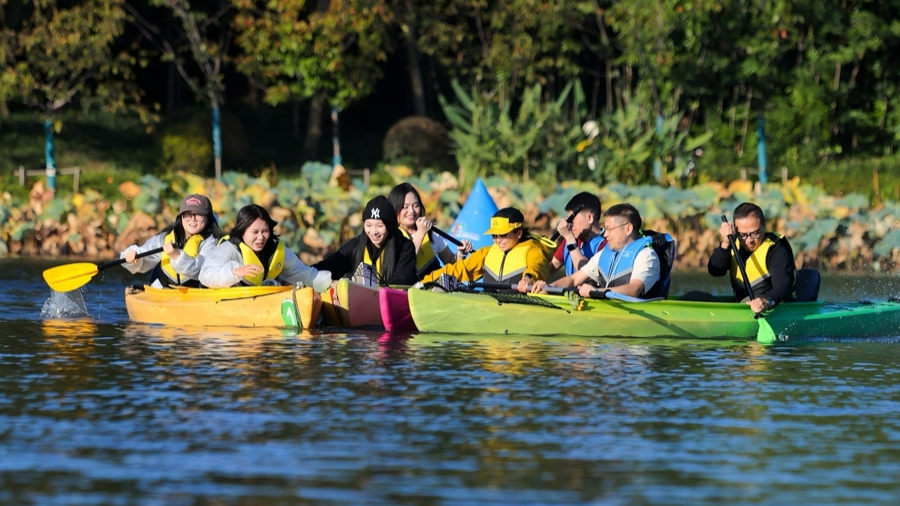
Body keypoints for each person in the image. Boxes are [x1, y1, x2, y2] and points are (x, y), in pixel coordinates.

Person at [530, 203, 662, 298]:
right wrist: (548, 287)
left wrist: (597, 291)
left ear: (628, 229)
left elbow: (634, 289)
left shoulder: (646, 256)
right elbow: (574, 279)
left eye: (610, 229)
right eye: (605, 229)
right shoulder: (605, 254)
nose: (605, 234)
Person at [199, 204, 332, 292]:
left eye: (265, 231)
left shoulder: (276, 250)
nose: (261, 237)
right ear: (242, 231)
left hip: (262, 303)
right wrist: (235, 272)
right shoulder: (228, 249)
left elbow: (304, 274)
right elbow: (206, 275)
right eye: (255, 232)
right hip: (228, 303)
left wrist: (329, 283)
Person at [421, 207, 554, 292]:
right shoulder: (486, 253)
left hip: (520, 308)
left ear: (519, 233)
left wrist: (528, 279)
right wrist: (423, 283)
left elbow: (538, 266)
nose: (497, 240)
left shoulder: (533, 250)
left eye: (502, 234)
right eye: (494, 235)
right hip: (490, 305)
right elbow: (458, 269)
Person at [708, 202, 795, 313]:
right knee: (694, 296)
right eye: (743, 235)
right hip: (743, 305)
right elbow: (715, 271)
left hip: (771, 306)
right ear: (735, 230)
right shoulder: (732, 242)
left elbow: (782, 287)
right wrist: (725, 244)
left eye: (755, 233)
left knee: (746, 302)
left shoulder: (776, 249)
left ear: (764, 227)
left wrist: (766, 301)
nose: (749, 240)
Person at [120, 193, 222, 288]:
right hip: (164, 291)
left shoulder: (211, 243)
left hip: (196, 292)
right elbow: (144, 260)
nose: (193, 219)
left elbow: (202, 270)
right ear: (181, 217)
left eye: (199, 214)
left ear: (208, 219)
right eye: (188, 214)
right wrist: (133, 257)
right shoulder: (166, 237)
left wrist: (177, 256)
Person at [312, 195, 418, 286]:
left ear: (389, 226)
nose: (374, 232)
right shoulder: (355, 246)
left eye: (380, 226)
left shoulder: (404, 247)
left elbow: (403, 280)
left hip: (389, 301)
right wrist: (307, 273)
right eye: (369, 225)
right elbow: (329, 266)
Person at [388, 182, 474, 278]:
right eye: (405, 207)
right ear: (394, 208)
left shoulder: (432, 233)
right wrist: (420, 233)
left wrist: (461, 253)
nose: (411, 211)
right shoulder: (389, 237)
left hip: (434, 286)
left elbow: (451, 262)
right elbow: (403, 264)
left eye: (416, 205)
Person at [550, 192, 606, 276]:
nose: (569, 224)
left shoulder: (606, 244)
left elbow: (587, 273)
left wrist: (569, 238)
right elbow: (551, 267)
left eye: (572, 219)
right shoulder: (569, 240)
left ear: (589, 218)